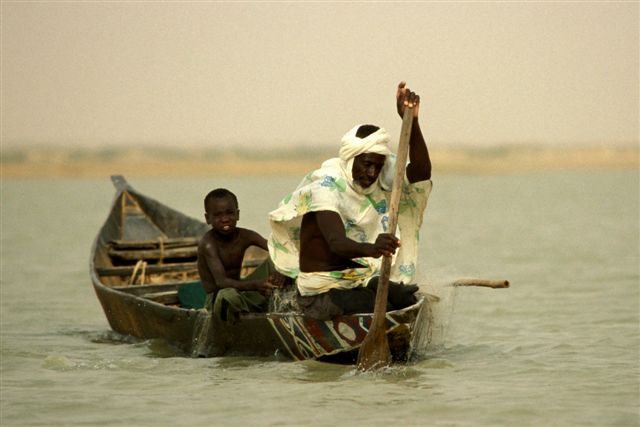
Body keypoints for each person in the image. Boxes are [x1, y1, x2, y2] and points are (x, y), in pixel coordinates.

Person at [268, 81, 433, 320]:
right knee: (383, 302)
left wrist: (412, 121)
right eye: (366, 164)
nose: (372, 174)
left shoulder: (376, 174)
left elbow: (421, 172)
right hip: (322, 294)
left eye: (377, 166)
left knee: (405, 298)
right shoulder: (326, 186)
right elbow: (336, 243)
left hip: (356, 282)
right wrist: (374, 248)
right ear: (350, 158)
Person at [197, 188, 283, 321]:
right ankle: (245, 315)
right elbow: (221, 282)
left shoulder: (246, 236)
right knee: (227, 295)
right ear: (208, 218)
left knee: (275, 261)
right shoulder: (208, 244)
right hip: (219, 299)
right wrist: (256, 285)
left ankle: (275, 304)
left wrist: (281, 271)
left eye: (230, 213)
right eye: (218, 215)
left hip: (241, 291)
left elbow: (277, 250)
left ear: (237, 214)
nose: (225, 219)